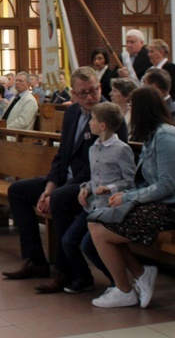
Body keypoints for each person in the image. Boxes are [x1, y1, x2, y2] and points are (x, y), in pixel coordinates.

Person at [2, 67, 127, 293]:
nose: (90, 97)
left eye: (94, 90)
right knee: (18, 191)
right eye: (83, 93)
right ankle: (37, 261)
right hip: (63, 180)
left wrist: (55, 193)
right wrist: (48, 187)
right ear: (74, 95)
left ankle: (65, 271)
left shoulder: (109, 115)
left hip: (92, 186)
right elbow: (62, 156)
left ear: (100, 88)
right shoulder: (71, 113)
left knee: (59, 199)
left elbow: (100, 167)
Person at [89, 86, 175, 309]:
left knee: (100, 228)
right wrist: (126, 194)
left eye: (133, 107)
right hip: (157, 203)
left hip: (168, 207)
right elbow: (148, 181)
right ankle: (137, 276)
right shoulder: (153, 135)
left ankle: (126, 289)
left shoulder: (165, 136)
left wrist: (128, 197)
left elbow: (167, 184)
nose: (130, 111)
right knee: (98, 221)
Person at [61, 102, 135, 294]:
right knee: (68, 240)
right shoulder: (94, 147)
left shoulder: (121, 149)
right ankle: (84, 278)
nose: (89, 123)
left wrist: (109, 188)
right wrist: (85, 188)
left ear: (102, 126)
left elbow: (130, 181)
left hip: (110, 207)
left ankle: (118, 283)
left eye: (92, 120)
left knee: (89, 245)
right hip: (93, 206)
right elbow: (94, 177)